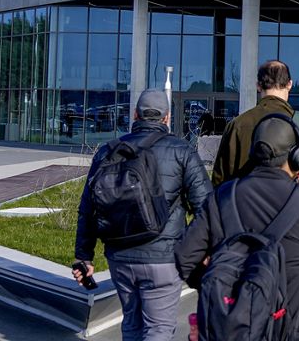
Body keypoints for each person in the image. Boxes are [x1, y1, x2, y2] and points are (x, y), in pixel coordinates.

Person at [176, 113, 299, 341]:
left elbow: (184, 257)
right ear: (297, 157)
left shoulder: (221, 197)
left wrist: (213, 285)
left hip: (230, 327)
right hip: (289, 329)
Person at [73, 89, 211, 341]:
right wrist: (203, 251)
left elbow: (87, 208)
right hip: (164, 258)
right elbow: (205, 207)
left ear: (135, 115)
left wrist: (84, 256)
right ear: (167, 118)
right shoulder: (182, 151)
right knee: (158, 329)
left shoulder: (109, 151)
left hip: (120, 258)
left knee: (132, 326)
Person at [211, 60, 299, 191]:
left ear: (258, 85)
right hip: (292, 206)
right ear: (290, 84)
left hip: (246, 206)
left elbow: (219, 180)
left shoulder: (237, 125)